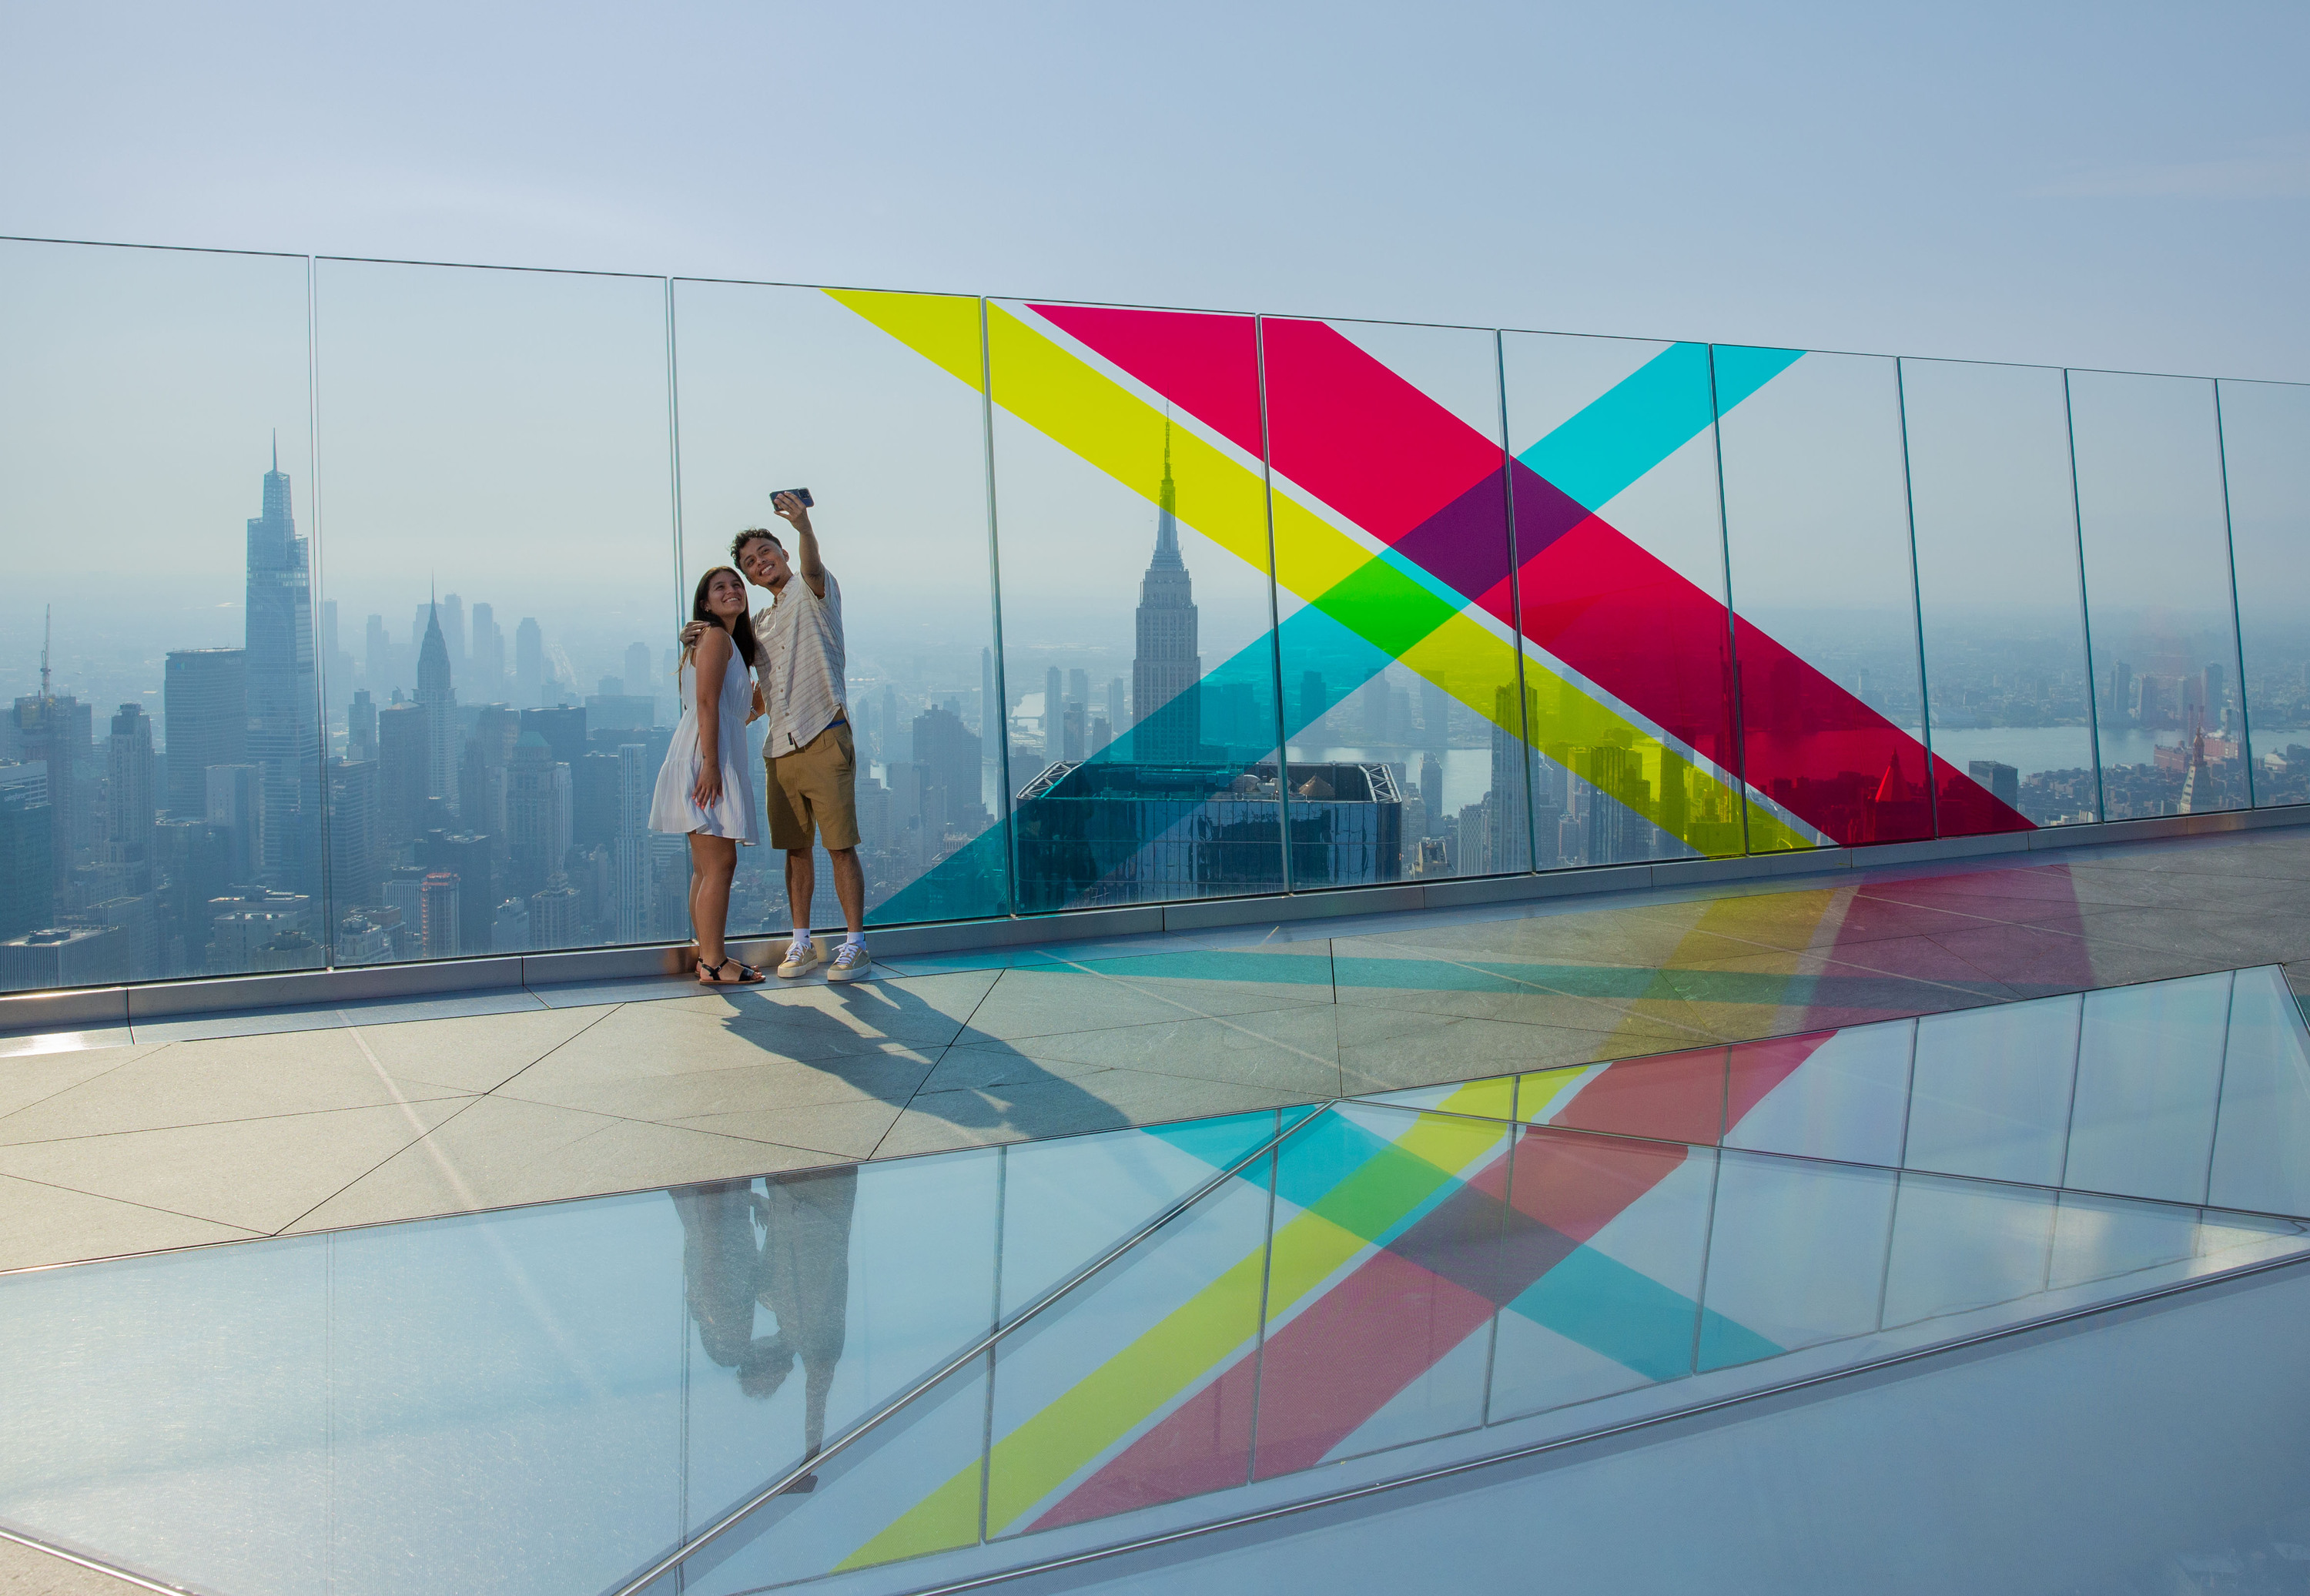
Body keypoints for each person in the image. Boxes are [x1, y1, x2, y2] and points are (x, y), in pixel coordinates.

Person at [685, 492, 870, 982]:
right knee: (795, 850)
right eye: (749, 562)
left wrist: (804, 524)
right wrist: (698, 637)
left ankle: (855, 944)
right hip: (779, 748)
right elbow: (756, 691)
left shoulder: (815, 591)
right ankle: (802, 942)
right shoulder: (759, 625)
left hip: (825, 734)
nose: (759, 562)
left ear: (784, 554)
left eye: (766, 552)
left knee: (841, 846)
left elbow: (812, 561)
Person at [650, 566, 764, 984]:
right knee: (721, 864)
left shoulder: (727, 644)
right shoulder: (716, 638)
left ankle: (708, 958)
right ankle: (715, 962)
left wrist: (758, 705)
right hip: (706, 759)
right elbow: (705, 705)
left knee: (706, 867)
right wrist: (712, 765)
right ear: (706, 602)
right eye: (721, 587)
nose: (732, 590)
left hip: (708, 754)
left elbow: (734, 714)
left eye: (737, 585)